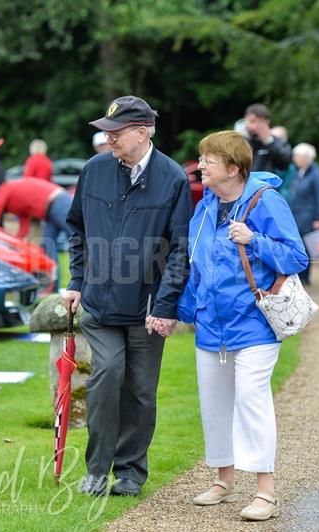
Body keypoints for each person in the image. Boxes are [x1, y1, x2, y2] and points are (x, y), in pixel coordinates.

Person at [64, 95, 192, 497]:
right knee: (106, 376)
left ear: (143, 132)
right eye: (107, 133)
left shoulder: (173, 178)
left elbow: (179, 248)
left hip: (147, 308)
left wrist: (167, 305)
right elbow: (76, 229)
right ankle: (97, 469)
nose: (108, 139)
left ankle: (132, 472)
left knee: (140, 391)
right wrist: (76, 281)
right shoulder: (95, 169)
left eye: (115, 133)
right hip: (100, 303)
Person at [177, 130, 308, 521]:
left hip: (254, 323)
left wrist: (253, 240)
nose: (200, 165)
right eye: (202, 159)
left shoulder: (266, 201)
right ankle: (224, 480)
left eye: (208, 160)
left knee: (251, 399)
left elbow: (296, 256)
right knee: (215, 405)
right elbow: (196, 268)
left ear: (233, 168)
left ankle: (265, 491)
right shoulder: (204, 206)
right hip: (211, 326)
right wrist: (183, 312)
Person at [0, 177, 71, 291]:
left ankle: (92, 285)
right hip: (50, 211)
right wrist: (15, 244)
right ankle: (53, 289)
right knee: (48, 247)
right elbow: (24, 225)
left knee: (80, 241)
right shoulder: (16, 202)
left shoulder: (4, 189)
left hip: (58, 202)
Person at [287, 143, 319, 284]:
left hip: (307, 217)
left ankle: (305, 276)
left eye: (296, 156)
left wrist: (318, 217)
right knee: (297, 246)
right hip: (296, 216)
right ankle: (298, 274)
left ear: (305, 157)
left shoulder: (315, 173)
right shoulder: (299, 172)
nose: (294, 158)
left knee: (305, 247)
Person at [244, 104, 292, 174]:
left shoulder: (278, 142)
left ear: (267, 122)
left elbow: (285, 164)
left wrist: (269, 141)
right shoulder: (242, 142)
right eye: (252, 121)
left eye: (259, 122)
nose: (254, 126)